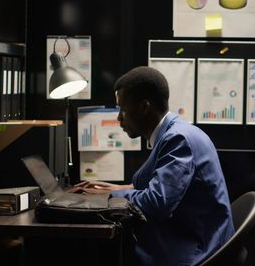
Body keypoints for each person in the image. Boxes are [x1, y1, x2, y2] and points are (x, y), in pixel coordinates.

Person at [69, 66, 235, 266]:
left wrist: (110, 197)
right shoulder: (173, 133)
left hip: (197, 251)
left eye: (122, 109)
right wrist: (115, 189)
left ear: (144, 107)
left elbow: (157, 202)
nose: (119, 118)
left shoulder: (178, 139)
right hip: (192, 238)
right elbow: (161, 186)